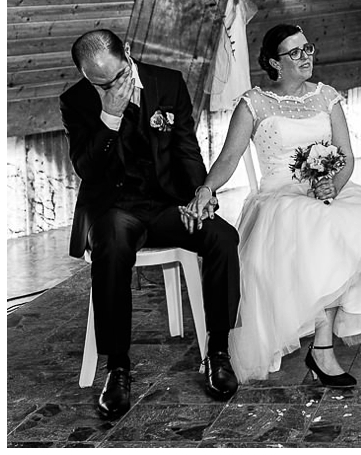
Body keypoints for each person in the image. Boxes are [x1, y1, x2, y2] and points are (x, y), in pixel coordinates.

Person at [184, 23, 361, 385]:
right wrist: (206, 189)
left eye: (308, 49)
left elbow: (347, 157)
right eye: (295, 52)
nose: (305, 57)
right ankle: (322, 350)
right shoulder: (254, 103)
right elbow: (228, 159)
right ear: (275, 63)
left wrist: (332, 188)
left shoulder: (327, 96)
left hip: (330, 190)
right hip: (279, 198)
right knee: (325, 229)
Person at [60, 30, 241, 419]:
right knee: (110, 242)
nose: (111, 86)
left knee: (223, 237)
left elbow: (185, 148)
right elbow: (86, 170)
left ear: (126, 53)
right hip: (116, 208)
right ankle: (118, 367)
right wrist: (108, 114)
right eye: (99, 83)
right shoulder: (75, 101)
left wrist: (201, 193)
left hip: (166, 204)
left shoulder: (167, 82)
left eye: (115, 76)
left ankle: (219, 351)